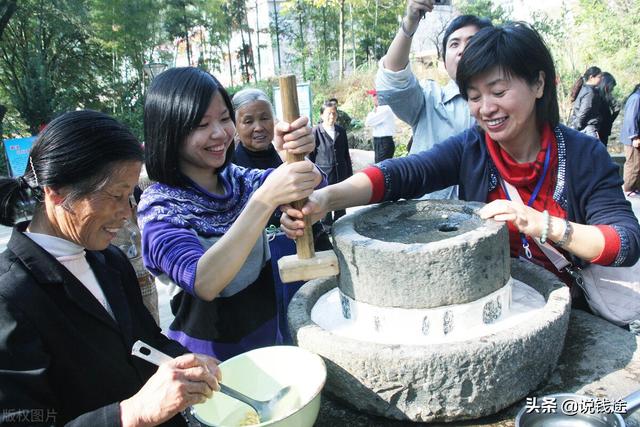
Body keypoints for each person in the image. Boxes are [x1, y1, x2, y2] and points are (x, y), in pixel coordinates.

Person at [282, 23, 640, 297]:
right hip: (495, 297)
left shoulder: (582, 155)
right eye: (473, 96)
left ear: (539, 84)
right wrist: (325, 198)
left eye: (499, 91)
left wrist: (541, 224)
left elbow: (624, 242)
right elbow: (403, 173)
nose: (486, 108)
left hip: (565, 304)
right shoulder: (474, 148)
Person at [0, 110, 221, 427]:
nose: (126, 212)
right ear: (56, 192)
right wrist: (130, 413)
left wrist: (188, 363)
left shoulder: (109, 261)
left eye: (130, 194)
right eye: (116, 196)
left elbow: (145, 344)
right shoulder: (10, 297)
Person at [138, 67, 322, 361]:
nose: (220, 133)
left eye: (224, 118)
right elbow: (204, 281)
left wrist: (302, 155)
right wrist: (265, 201)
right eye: (201, 124)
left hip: (267, 345)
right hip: (208, 369)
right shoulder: (159, 207)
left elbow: (307, 183)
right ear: (169, 131)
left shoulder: (236, 179)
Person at [231, 88, 331, 344]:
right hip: (263, 268)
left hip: (303, 258)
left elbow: (320, 188)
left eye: (264, 118)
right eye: (248, 120)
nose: (258, 127)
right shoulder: (230, 168)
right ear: (234, 126)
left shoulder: (288, 154)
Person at [376, 0, 492, 199]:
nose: (462, 50)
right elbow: (393, 81)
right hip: (427, 224)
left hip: (489, 223)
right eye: (454, 44)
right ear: (444, 61)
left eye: (472, 41)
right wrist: (410, 22)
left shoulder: (510, 104)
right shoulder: (428, 99)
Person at [311, 99, 353, 226]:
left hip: (340, 172)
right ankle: (326, 229)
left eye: (334, 113)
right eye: (329, 113)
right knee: (325, 204)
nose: (331, 116)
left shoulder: (341, 131)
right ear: (322, 115)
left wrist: (349, 175)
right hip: (324, 174)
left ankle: (341, 227)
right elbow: (310, 156)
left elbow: (346, 154)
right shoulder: (316, 132)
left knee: (340, 203)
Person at [568, 66, 603, 138]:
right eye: (599, 77)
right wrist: (575, 127)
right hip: (587, 129)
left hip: (583, 126)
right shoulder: (589, 92)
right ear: (591, 77)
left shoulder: (585, 88)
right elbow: (584, 111)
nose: (601, 79)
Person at [365, 89, 397, 162]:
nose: (373, 98)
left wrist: (372, 113)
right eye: (373, 96)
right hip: (379, 141)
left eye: (374, 95)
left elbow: (368, 122)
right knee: (379, 166)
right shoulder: (377, 109)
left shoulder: (385, 108)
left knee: (381, 167)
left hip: (384, 141)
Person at [620, 83, 640, 197]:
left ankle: (635, 187)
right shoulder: (636, 98)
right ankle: (629, 188)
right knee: (633, 163)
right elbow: (631, 118)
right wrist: (634, 136)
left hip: (635, 136)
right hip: (632, 137)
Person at [596, 72, 620, 147]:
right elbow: (617, 108)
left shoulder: (605, 95)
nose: (611, 91)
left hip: (602, 130)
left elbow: (617, 108)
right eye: (611, 88)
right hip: (597, 130)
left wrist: (609, 121)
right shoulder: (596, 95)